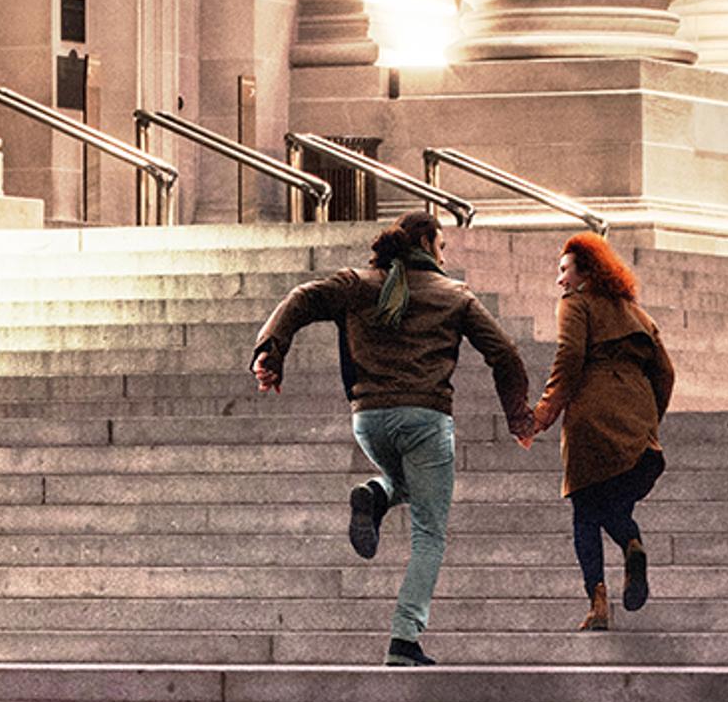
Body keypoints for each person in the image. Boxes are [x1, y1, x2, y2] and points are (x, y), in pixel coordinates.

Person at [252, 210, 534, 667]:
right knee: (429, 532)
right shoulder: (454, 295)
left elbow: (301, 299)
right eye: (443, 246)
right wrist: (519, 416)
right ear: (426, 241)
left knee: (409, 483)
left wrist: (270, 351)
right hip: (425, 419)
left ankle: (377, 492)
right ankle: (404, 638)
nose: (445, 257)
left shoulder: (357, 283)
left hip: (369, 421)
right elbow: (504, 353)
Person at [516, 229, 674, 632]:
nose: (560, 280)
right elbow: (666, 372)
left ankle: (598, 602)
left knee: (586, 512)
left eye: (565, 270)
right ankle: (632, 544)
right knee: (613, 505)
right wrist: (649, 418)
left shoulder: (576, 304)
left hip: (592, 416)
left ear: (586, 273)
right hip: (637, 425)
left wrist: (542, 415)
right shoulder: (637, 314)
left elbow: (569, 358)